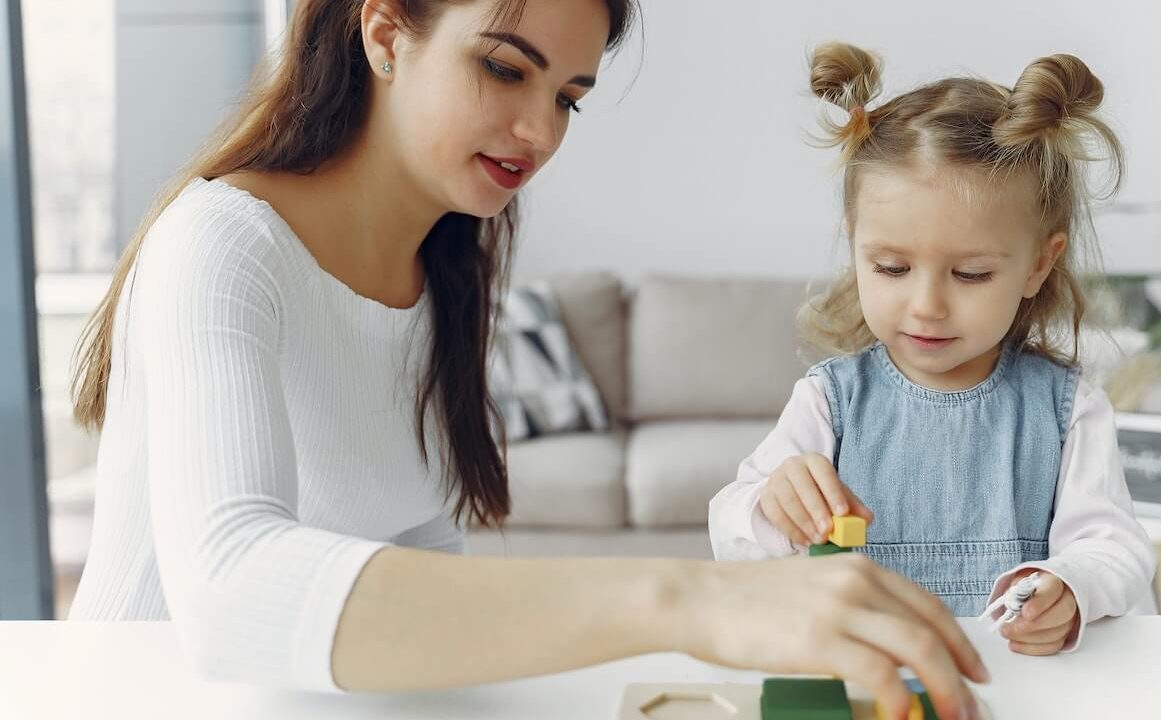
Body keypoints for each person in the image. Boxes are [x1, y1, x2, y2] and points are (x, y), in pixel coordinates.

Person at [66, 4, 988, 719]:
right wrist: (690, 598)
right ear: (386, 33)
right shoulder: (222, 244)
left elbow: (425, 565)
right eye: (505, 69)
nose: (541, 132)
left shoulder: (440, 274)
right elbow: (230, 591)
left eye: (567, 98)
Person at [709, 42, 1156, 657]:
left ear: (1037, 266)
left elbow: (1117, 548)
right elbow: (731, 530)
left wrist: (1072, 586)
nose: (926, 306)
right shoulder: (830, 399)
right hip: (869, 677)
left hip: (1012, 685)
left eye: (970, 274)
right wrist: (771, 504)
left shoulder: (1066, 407)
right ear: (855, 246)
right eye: (891, 267)